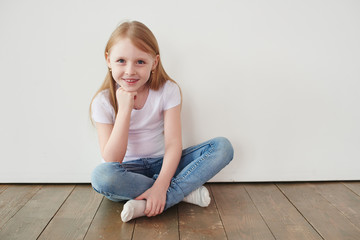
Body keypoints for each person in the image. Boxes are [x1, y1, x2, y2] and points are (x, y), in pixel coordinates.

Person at [90, 20, 234, 222]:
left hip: (164, 165)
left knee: (223, 147)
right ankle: (182, 192)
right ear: (108, 60)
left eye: (140, 62)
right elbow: (112, 159)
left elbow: (174, 144)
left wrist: (161, 184)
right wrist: (124, 110)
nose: (130, 70)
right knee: (101, 176)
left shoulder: (168, 90)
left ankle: (153, 198)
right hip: (127, 172)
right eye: (121, 61)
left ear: (154, 63)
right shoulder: (103, 101)